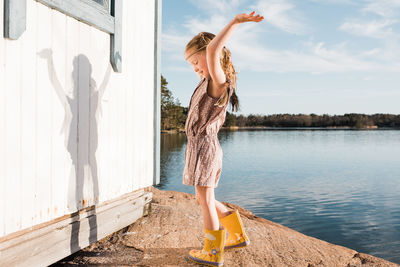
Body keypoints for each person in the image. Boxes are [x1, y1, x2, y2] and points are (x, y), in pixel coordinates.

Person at [182, 11, 264, 266]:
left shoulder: (218, 82)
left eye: (197, 61)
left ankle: (213, 252)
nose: (195, 68)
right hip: (200, 148)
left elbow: (213, 50)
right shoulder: (206, 82)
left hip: (204, 148)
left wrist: (236, 22)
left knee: (205, 200)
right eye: (191, 65)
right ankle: (237, 234)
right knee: (202, 197)